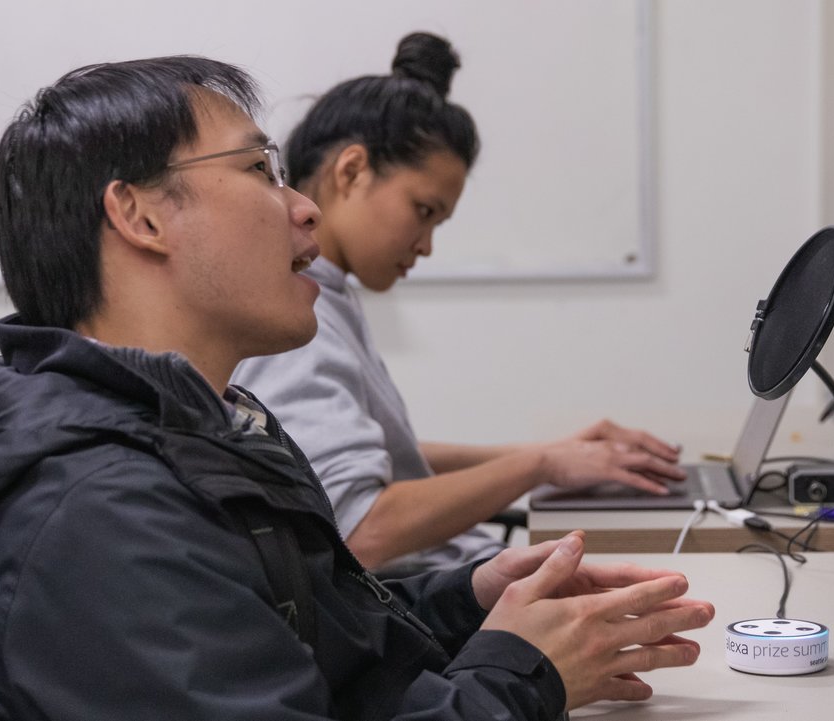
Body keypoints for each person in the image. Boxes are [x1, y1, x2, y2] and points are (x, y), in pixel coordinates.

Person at [0, 56, 714, 720]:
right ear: (141, 215)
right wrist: (523, 670)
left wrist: (470, 599)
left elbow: (293, 634)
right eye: (261, 169)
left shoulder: (195, 430)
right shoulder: (103, 512)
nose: (302, 207)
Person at [233, 32, 686, 575]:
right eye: (422, 211)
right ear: (350, 171)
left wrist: (552, 456)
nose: (426, 245)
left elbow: (375, 455)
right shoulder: (294, 320)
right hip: (417, 605)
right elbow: (358, 527)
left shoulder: (327, 295)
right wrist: (537, 464)